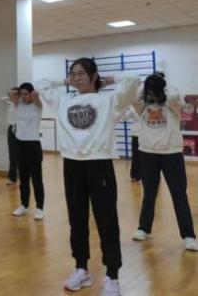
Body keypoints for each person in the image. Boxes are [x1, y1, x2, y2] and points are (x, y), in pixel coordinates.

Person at [36, 58, 139, 296]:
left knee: (106, 220)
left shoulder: (109, 100)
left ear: (94, 76)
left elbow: (133, 79)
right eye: (73, 74)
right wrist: (65, 81)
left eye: (82, 73)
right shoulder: (64, 100)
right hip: (72, 165)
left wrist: (108, 79)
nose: (77, 78)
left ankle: (112, 276)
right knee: (77, 219)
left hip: (99, 164)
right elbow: (41, 83)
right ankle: (81, 268)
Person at [131, 74, 198, 251]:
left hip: (171, 154)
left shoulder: (172, 104)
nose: (151, 95)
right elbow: (133, 95)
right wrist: (146, 85)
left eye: (154, 92)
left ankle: (189, 236)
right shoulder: (142, 106)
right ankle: (143, 228)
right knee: (149, 194)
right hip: (147, 154)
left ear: (162, 91)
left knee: (179, 194)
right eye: (149, 92)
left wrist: (162, 84)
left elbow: (174, 95)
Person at [9, 83, 45, 220]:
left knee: (36, 179)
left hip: (33, 146)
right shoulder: (18, 105)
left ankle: (40, 208)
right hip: (20, 145)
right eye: (22, 94)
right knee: (23, 178)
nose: (23, 97)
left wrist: (34, 94)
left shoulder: (37, 105)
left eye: (26, 94)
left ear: (31, 93)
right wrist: (18, 93)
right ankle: (24, 205)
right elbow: (10, 93)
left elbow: (37, 94)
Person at [1, 90, 19, 185]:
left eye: (14, 94)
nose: (12, 96)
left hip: (20, 129)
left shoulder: (21, 104)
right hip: (11, 129)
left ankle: (26, 176)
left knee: (22, 155)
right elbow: (1, 99)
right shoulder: (10, 103)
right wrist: (11, 97)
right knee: (12, 154)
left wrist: (17, 98)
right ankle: (12, 178)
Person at [120, 106, 140, 182]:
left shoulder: (150, 104)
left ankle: (153, 175)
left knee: (150, 156)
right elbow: (125, 118)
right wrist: (124, 108)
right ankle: (135, 175)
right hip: (136, 134)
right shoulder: (133, 107)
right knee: (135, 156)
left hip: (148, 135)